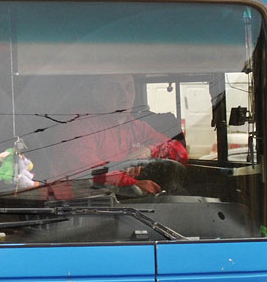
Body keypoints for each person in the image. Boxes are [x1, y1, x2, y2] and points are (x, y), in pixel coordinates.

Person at [57, 73, 188, 195]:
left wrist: (147, 151)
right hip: (79, 205)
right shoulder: (79, 124)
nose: (124, 95)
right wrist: (133, 184)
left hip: (124, 205)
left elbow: (180, 153)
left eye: (129, 87)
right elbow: (87, 170)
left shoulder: (136, 127)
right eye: (114, 88)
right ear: (96, 93)